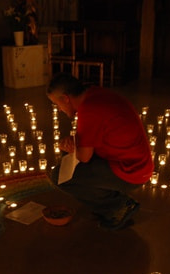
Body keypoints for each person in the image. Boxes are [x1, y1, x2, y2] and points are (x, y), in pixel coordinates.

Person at [46, 73, 154, 230]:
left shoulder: (89, 110)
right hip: (135, 162)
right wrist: (74, 143)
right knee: (67, 162)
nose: (59, 109)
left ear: (65, 98)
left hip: (131, 171)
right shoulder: (94, 95)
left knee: (60, 176)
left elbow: (83, 157)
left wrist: (72, 147)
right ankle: (113, 202)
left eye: (57, 104)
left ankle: (119, 206)